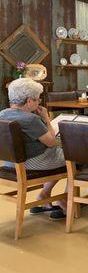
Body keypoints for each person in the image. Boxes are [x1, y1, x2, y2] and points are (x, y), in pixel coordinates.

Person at [0, 78, 66, 220]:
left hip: (9, 163)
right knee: (77, 156)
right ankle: (65, 202)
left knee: (65, 155)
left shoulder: (3, 114)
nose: (38, 103)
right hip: (33, 163)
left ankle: (44, 195)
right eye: (37, 100)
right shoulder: (31, 119)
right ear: (29, 101)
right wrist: (46, 119)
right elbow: (52, 142)